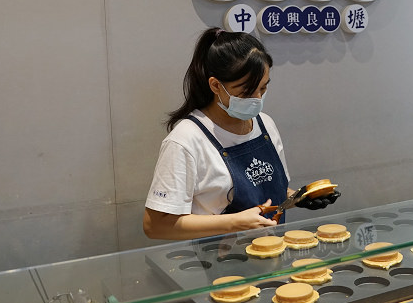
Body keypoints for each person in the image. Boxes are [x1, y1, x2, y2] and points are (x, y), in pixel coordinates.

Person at [143, 27, 338, 240]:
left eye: (263, 89)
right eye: (246, 92)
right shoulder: (186, 140)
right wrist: (234, 223)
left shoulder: (265, 124)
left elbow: (264, 192)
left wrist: (297, 197)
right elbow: (155, 225)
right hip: (218, 267)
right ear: (216, 85)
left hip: (271, 257)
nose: (257, 99)